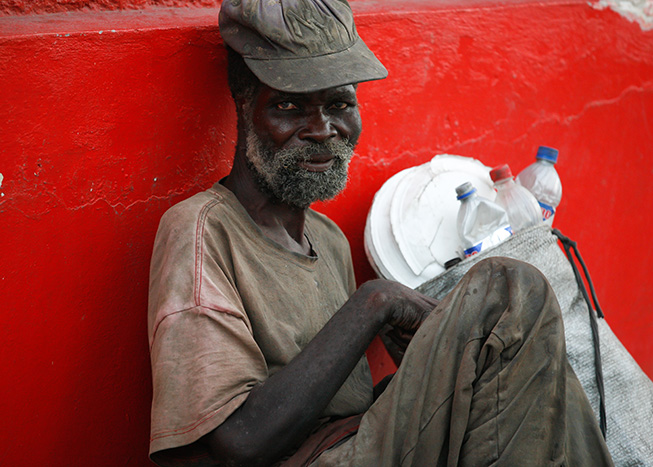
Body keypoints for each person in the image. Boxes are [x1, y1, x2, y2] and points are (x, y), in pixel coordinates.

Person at [147, 0, 613, 465]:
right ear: (244, 105)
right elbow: (239, 442)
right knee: (509, 288)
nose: (323, 129)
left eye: (339, 104)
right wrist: (374, 304)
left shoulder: (326, 239)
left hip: (363, 438)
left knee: (508, 352)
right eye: (289, 106)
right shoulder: (202, 230)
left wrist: (437, 358)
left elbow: (350, 407)